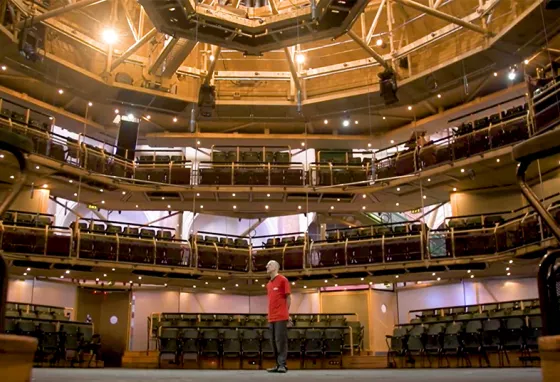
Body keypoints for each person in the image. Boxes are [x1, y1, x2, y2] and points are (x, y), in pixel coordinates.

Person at [265, 260, 291, 373]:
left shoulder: (283, 280)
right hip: (271, 317)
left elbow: (288, 298)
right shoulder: (268, 284)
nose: (267, 266)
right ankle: (277, 364)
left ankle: (282, 365)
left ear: (275, 267)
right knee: (273, 342)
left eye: (269, 264)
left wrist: (286, 313)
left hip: (281, 316)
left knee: (281, 341)